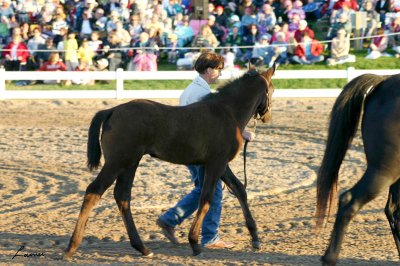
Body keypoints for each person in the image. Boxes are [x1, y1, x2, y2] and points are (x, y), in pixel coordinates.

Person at [157, 52, 255, 249]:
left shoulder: (192, 89)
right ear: (209, 70)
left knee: (202, 189)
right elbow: (209, 124)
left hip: (189, 147)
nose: (219, 73)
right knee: (214, 191)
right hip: (200, 149)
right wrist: (241, 131)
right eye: (218, 69)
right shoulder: (200, 94)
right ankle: (209, 237)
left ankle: (170, 219)